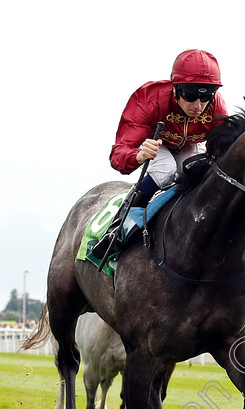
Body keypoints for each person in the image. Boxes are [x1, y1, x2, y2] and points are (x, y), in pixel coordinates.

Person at [92, 49, 228, 260]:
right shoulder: (148, 99)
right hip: (156, 144)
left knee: (196, 172)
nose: (198, 105)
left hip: (189, 147)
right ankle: (119, 226)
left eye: (206, 96)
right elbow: (118, 155)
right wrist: (138, 156)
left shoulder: (216, 105)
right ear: (176, 89)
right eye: (191, 95)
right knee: (166, 169)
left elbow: (223, 149)